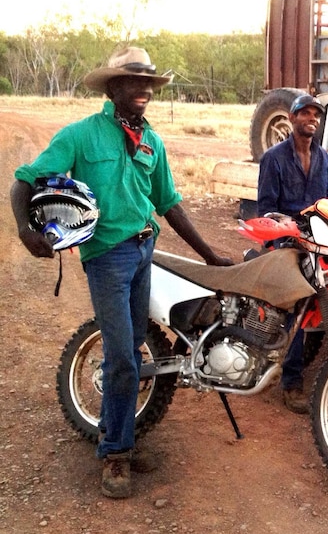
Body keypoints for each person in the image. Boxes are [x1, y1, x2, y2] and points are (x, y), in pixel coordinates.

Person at [10, 46, 233, 499]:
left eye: (150, 81)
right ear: (113, 88)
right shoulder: (81, 136)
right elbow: (24, 180)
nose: (146, 89)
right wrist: (24, 231)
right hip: (106, 257)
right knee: (124, 357)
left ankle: (119, 438)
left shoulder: (152, 142)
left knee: (130, 349)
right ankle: (115, 454)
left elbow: (169, 203)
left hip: (142, 250)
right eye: (135, 81)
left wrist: (211, 256)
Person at [256, 94, 328, 414]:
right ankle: (291, 382)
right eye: (305, 113)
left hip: (315, 240)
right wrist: (286, 225)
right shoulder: (273, 158)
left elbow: (325, 203)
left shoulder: (324, 157)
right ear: (292, 117)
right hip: (283, 241)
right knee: (298, 303)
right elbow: (265, 210)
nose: (311, 118)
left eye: (316, 114)